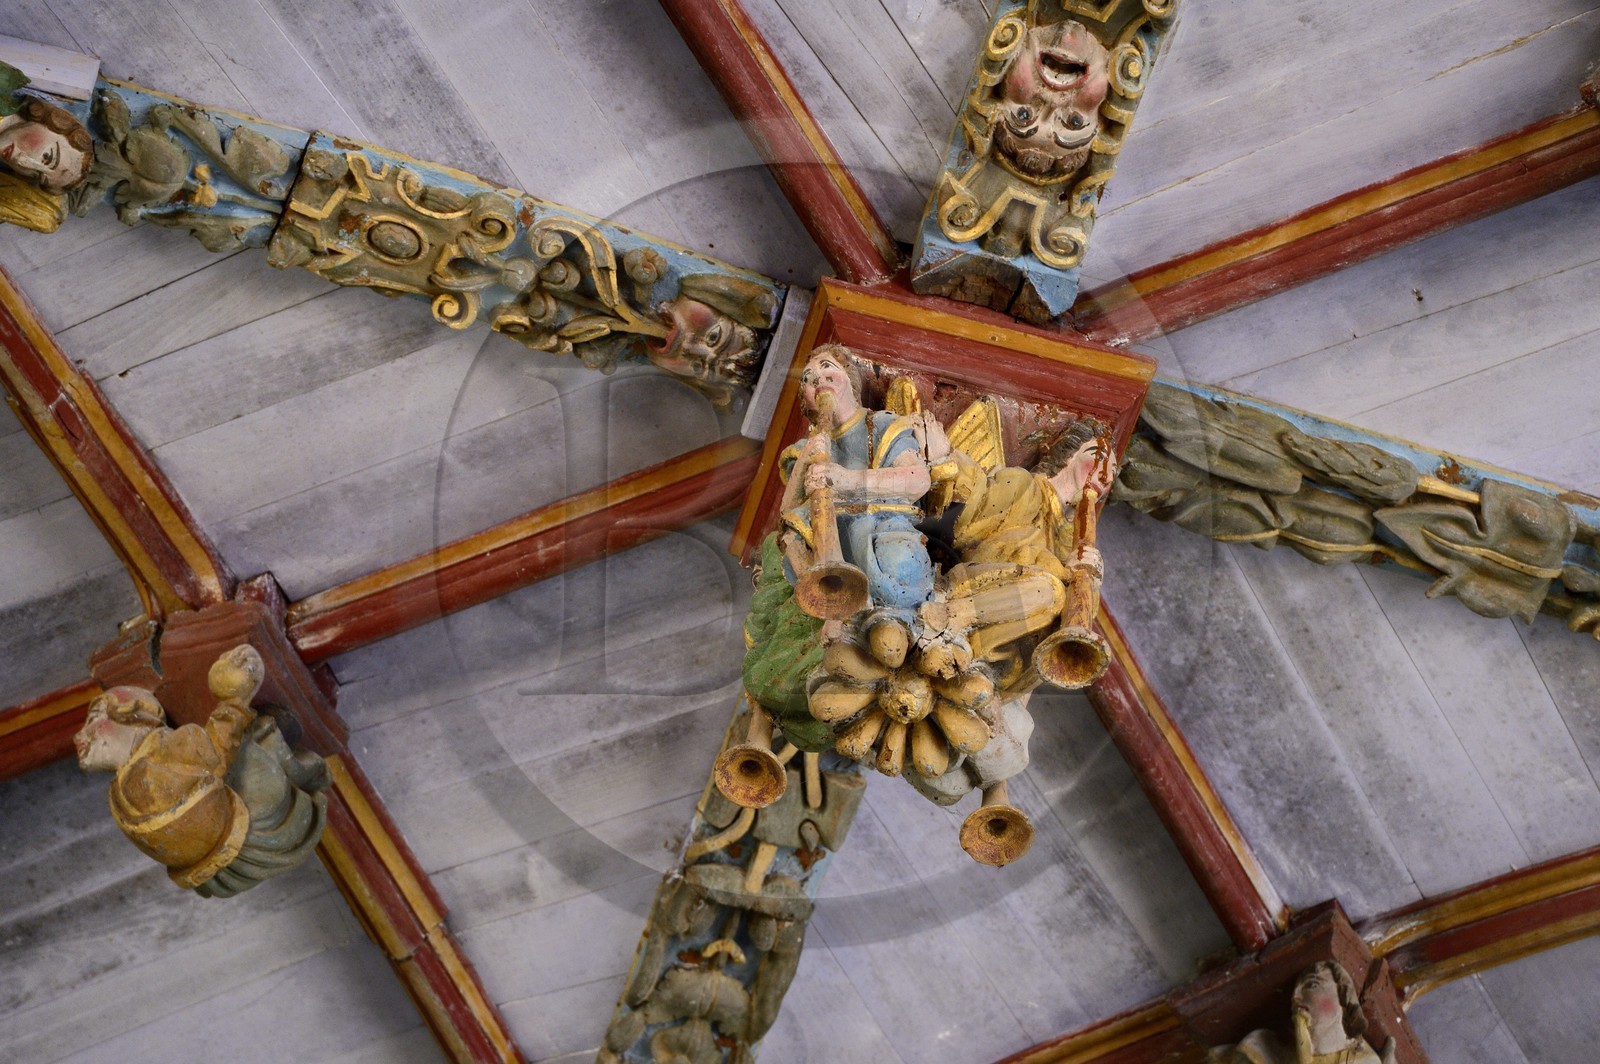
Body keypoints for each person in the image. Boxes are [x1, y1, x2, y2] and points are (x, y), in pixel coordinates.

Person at [73, 645, 329, 898]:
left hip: (245, 850)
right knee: (249, 758)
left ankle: (280, 750)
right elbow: (218, 750)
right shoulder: (132, 781)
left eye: (95, 717)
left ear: (132, 715)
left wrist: (234, 696)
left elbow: (217, 752)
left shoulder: (159, 756)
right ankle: (280, 749)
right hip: (244, 846)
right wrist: (235, 696)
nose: (79, 736)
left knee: (250, 760)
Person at [778, 344, 935, 651]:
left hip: (881, 522)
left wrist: (846, 480)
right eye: (808, 379)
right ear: (807, 403)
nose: (817, 379)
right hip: (825, 535)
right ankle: (835, 607)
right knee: (791, 544)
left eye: (827, 368)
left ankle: (889, 623)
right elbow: (786, 514)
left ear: (849, 378)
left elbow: (917, 479)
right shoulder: (805, 448)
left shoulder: (881, 425)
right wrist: (805, 461)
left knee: (900, 562)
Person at [0, 61, 94, 192]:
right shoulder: (4, 82)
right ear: (54, 126)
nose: (22, 162)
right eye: (46, 156)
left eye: (36, 175)